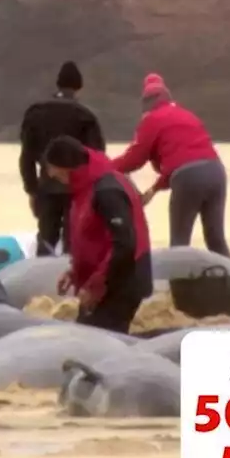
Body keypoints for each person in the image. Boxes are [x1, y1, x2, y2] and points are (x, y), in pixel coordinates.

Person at [112, 73, 230, 258]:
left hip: (187, 178)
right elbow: (185, 158)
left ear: (146, 101)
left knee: (179, 242)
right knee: (216, 238)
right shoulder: (186, 115)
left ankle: (177, 284)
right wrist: (154, 189)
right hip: (216, 172)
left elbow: (134, 159)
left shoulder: (151, 120)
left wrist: (106, 167)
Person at [41, 136, 152, 334]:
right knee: (85, 332)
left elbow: (125, 244)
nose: (50, 174)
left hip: (122, 279)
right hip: (105, 279)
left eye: (52, 170)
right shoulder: (85, 186)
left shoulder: (107, 190)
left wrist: (95, 286)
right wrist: (75, 272)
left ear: (66, 167)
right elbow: (92, 237)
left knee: (97, 338)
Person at [18, 61, 105, 256]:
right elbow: (97, 158)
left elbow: (27, 157)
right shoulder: (85, 116)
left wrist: (32, 190)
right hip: (77, 189)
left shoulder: (35, 114)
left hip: (46, 188)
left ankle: (40, 279)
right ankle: (71, 276)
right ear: (79, 87)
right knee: (74, 239)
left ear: (57, 84)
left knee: (46, 238)